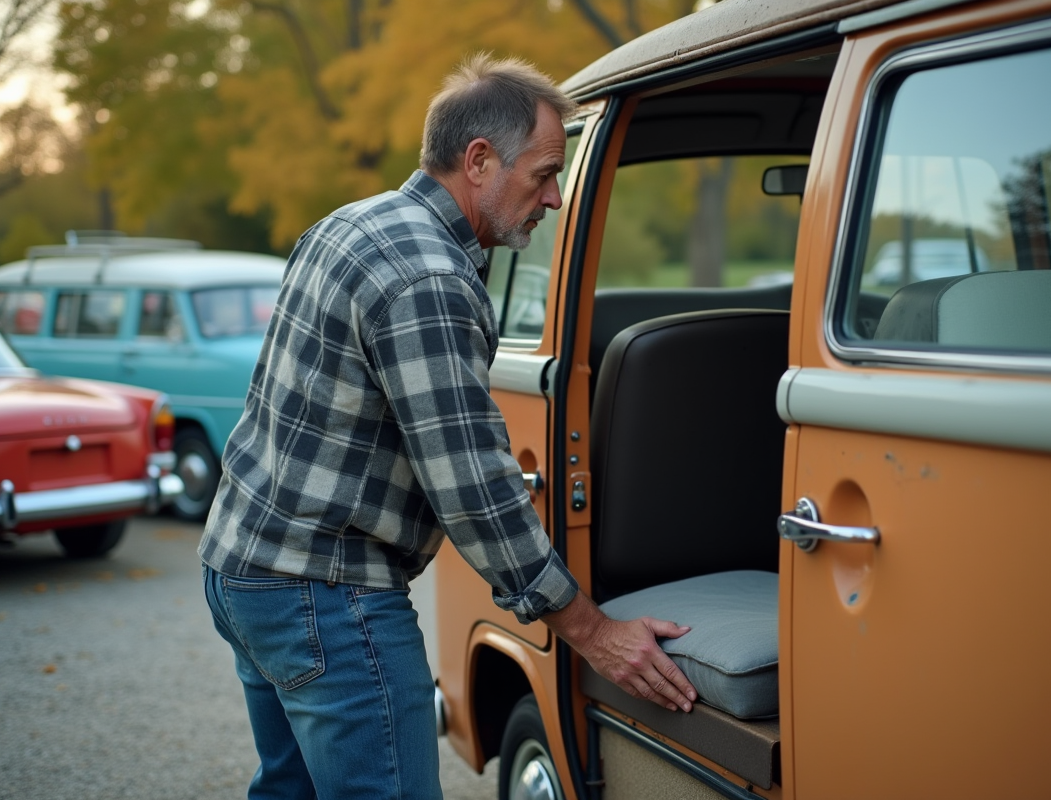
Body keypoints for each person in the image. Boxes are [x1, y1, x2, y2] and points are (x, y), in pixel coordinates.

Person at [199, 53, 697, 799]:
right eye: (543, 174)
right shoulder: (429, 278)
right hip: (323, 594)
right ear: (478, 160)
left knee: (289, 790)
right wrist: (594, 634)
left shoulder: (349, 224)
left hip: (242, 566)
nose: (555, 198)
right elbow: (472, 489)